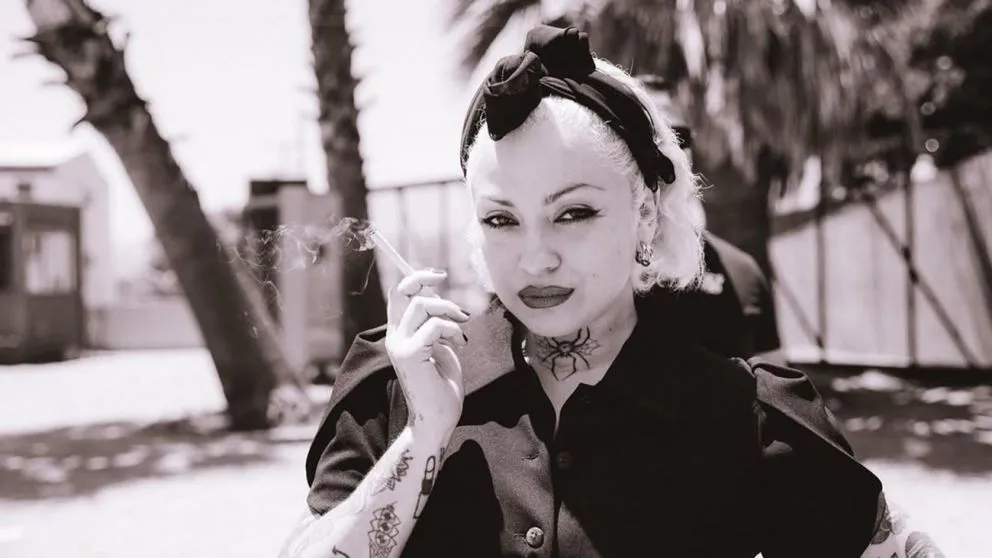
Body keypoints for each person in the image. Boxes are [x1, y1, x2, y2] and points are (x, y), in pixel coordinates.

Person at [281, 26, 944, 558]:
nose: (536, 257)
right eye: (501, 219)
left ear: (646, 215)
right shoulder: (396, 384)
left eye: (574, 213)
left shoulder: (746, 414)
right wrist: (423, 436)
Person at [636, 74, 785, 364]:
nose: (665, 152)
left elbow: (776, 380)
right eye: (650, 138)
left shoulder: (742, 273)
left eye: (677, 138)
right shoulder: (591, 273)